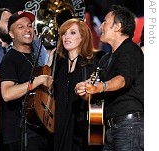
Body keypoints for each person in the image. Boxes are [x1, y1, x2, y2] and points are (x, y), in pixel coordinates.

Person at [75, 5, 144, 151]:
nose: (101, 26)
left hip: (129, 127)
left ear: (117, 27)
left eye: (105, 22)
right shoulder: (105, 59)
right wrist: (83, 88)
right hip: (109, 129)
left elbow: (122, 80)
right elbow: (95, 91)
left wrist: (101, 87)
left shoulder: (130, 50)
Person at [0, 11, 53, 151]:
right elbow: (7, 94)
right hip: (20, 136)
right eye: (20, 27)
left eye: (29, 25)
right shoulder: (10, 59)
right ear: (11, 34)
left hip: (38, 131)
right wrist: (37, 81)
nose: (27, 29)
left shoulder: (34, 57)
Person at [52, 18, 102, 151]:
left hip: (82, 127)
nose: (66, 36)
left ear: (83, 37)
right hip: (59, 124)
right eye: (64, 33)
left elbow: (97, 100)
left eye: (72, 33)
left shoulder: (92, 62)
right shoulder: (58, 63)